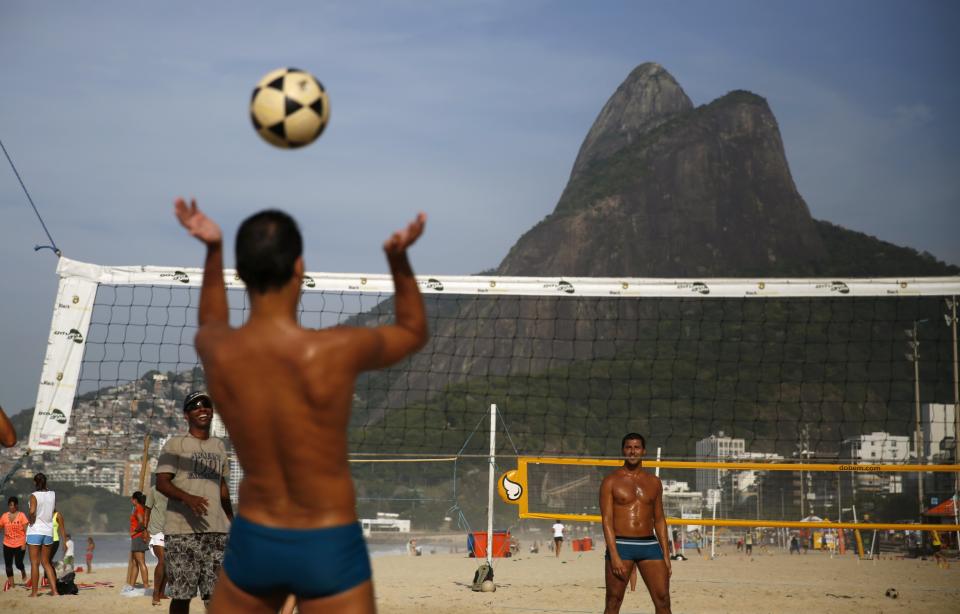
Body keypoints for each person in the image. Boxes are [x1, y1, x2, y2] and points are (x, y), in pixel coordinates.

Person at [174, 198, 428, 613]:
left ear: (240, 274)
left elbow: (211, 321)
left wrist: (212, 249)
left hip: (256, 537)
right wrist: (398, 259)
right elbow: (413, 331)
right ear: (300, 268)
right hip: (327, 540)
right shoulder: (336, 349)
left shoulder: (220, 351)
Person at [155, 391, 233, 613]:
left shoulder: (218, 446)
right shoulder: (174, 444)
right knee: (182, 595)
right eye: (196, 406)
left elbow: (222, 488)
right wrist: (187, 498)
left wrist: (232, 521)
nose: (203, 409)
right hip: (182, 531)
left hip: (216, 532)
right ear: (186, 415)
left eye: (207, 405)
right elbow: (161, 482)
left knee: (216, 596)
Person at [599, 433, 670, 614]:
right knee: (613, 602)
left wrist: (667, 556)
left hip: (649, 544)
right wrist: (614, 555)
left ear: (643, 451)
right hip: (622, 545)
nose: (632, 451)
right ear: (623, 450)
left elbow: (660, 520)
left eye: (636, 447)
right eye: (628, 447)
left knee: (663, 600)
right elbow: (606, 520)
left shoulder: (654, 482)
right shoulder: (611, 481)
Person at [25, 472, 59, 597]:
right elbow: (54, 509)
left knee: (35, 563)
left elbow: (32, 511)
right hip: (48, 531)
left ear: (35, 482)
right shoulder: (52, 494)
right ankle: (55, 591)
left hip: (35, 531)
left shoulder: (34, 495)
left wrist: (30, 519)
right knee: (46, 563)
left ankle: (34, 593)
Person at [145, 484, 169, 605]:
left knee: (170, 563)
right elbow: (147, 508)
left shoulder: (178, 489)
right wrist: (145, 529)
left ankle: (161, 592)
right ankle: (155, 593)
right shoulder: (154, 489)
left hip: (172, 530)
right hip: (157, 529)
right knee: (163, 560)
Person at [124, 491, 150, 592]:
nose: (131, 501)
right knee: (135, 562)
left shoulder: (138, 508)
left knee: (141, 562)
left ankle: (146, 586)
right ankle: (131, 586)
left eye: (132, 499)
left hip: (138, 537)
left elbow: (141, 522)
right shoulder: (137, 508)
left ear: (135, 500)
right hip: (136, 538)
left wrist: (133, 532)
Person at [1, 496, 28, 589]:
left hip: (20, 544)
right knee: (8, 566)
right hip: (7, 544)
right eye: (10, 505)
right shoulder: (4, 516)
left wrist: (24, 544)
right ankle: (12, 586)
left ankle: (23, 570)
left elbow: (26, 531)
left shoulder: (22, 516)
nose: (11, 507)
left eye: (13, 505)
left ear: (16, 505)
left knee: (18, 563)